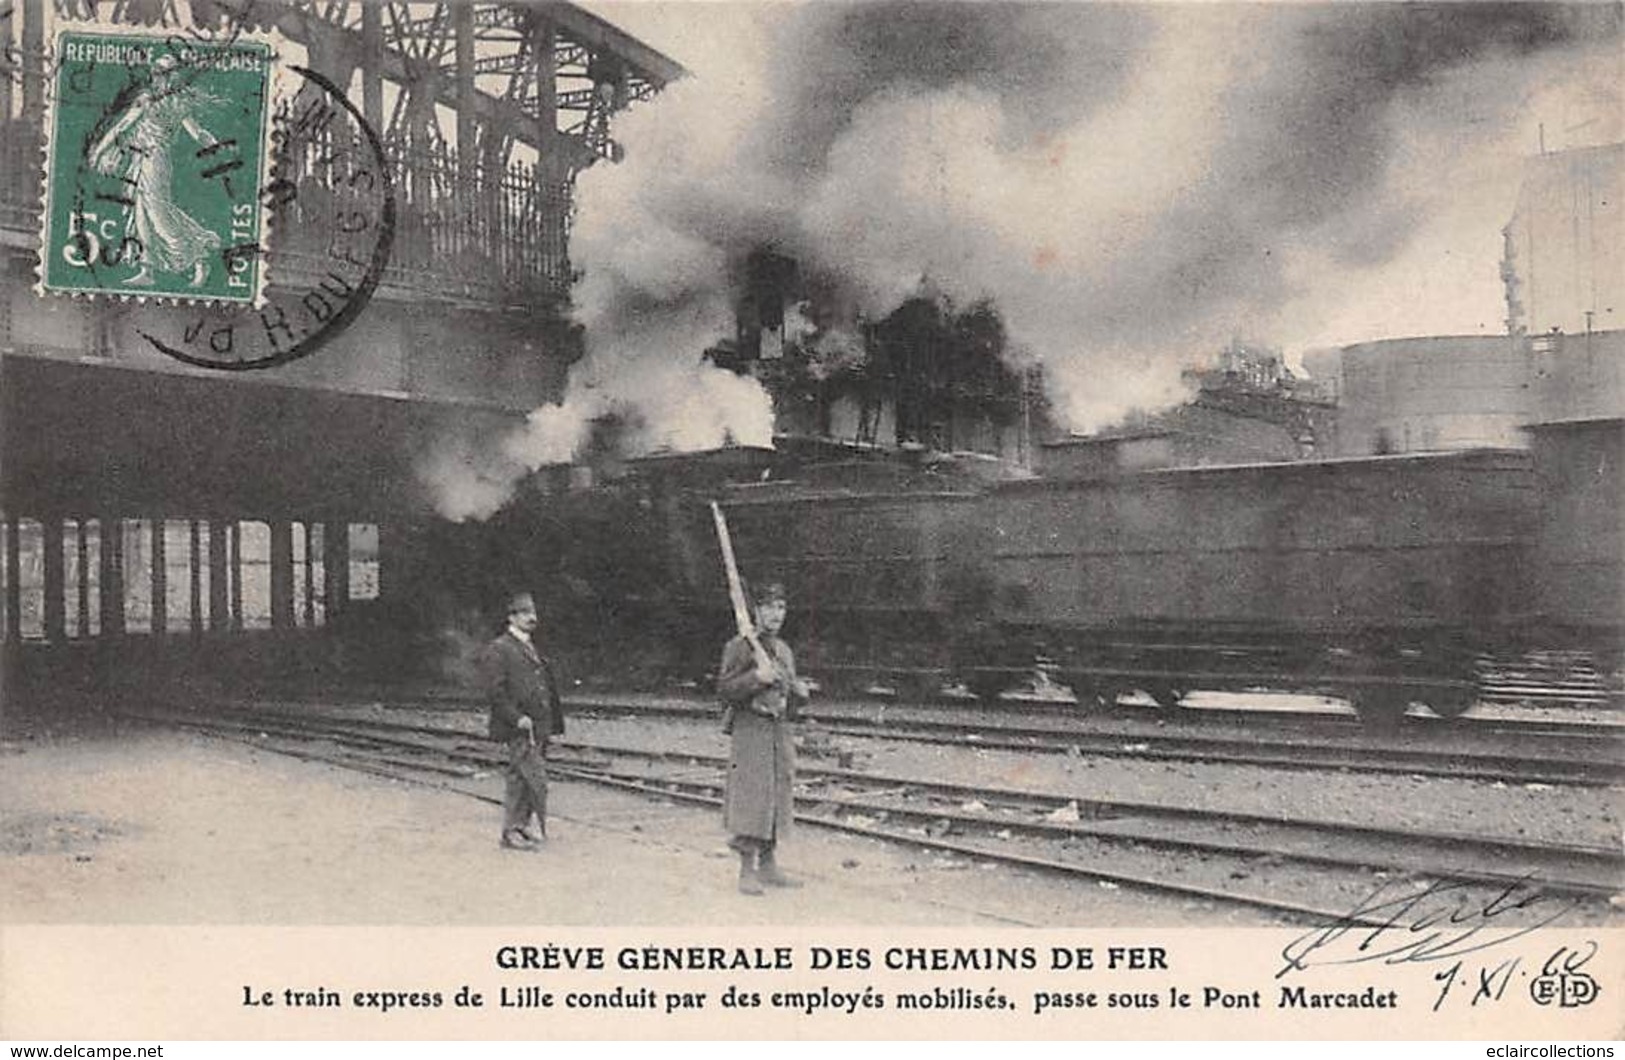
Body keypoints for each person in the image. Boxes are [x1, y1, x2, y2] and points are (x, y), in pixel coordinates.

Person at [716, 581, 809, 895]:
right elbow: (725, 689)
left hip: (778, 731)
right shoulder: (741, 646)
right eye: (769, 607)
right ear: (756, 610)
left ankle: (768, 865)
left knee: (777, 794)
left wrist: (798, 694)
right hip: (751, 730)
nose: (776, 614)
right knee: (751, 797)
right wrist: (757, 677)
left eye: (781, 607)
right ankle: (746, 871)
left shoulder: (783, 650)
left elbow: (790, 695)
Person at [481, 591, 564, 851]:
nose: (532, 618)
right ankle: (512, 829)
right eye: (525, 613)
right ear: (511, 617)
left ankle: (521, 826)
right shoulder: (500, 648)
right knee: (526, 776)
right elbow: (496, 691)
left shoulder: (528, 645)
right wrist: (516, 718)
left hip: (537, 724)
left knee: (525, 775)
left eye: (533, 613)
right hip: (520, 725)